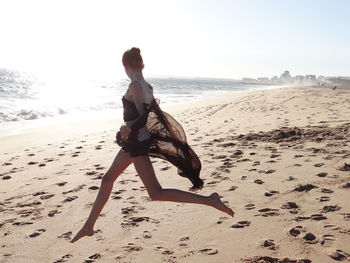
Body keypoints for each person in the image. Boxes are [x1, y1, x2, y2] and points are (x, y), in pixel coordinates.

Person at [70, 47, 234, 243]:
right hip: (135, 142)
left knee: (155, 192)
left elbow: (141, 116)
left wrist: (126, 125)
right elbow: (146, 114)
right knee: (108, 180)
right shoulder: (147, 86)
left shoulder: (135, 86)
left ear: (126, 66)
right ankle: (89, 226)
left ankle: (210, 200)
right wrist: (130, 128)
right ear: (141, 64)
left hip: (136, 143)